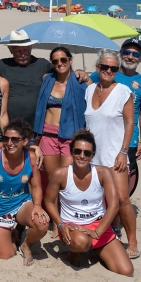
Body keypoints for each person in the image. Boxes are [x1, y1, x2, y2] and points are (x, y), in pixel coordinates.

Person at [44, 130, 132, 276]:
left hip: (98, 224)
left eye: (87, 153)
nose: (82, 156)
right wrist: (60, 224)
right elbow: (49, 201)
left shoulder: (103, 172)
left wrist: (97, 232)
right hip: (72, 225)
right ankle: (75, 253)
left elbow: (114, 205)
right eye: (77, 151)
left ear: (93, 155)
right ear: (71, 152)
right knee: (81, 242)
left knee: (126, 271)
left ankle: (98, 248)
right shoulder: (60, 174)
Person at [84, 49, 136, 259]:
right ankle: (107, 233)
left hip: (115, 154)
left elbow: (130, 122)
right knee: (101, 199)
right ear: (97, 68)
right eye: (104, 67)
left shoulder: (123, 91)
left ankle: (132, 240)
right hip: (92, 157)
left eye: (113, 68)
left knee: (122, 198)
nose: (108, 71)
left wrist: (124, 151)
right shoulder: (89, 90)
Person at [0, 120, 47, 266]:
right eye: (6, 138)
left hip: (21, 202)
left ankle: (26, 244)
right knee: (5, 256)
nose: (9, 142)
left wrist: (37, 205)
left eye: (15, 139)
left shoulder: (31, 158)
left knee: (42, 222)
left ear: (25, 141)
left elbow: (36, 186)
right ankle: (13, 234)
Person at [0, 29, 88, 122]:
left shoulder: (42, 64)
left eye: (25, 50)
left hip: (37, 124)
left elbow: (62, 71)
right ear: (11, 50)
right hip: (11, 124)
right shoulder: (2, 65)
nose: (22, 54)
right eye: (18, 51)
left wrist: (80, 71)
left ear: (31, 48)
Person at [90, 38, 141, 183]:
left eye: (136, 54)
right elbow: (87, 86)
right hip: (103, 138)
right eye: (127, 52)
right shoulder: (106, 71)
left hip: (129, 141)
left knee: (122, 185)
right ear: (120, 54)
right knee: (98, 182)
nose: (130, 57)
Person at [34, 46, 86, 181]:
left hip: (70, 136)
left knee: (67, 179)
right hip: (48, 135)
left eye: (63, 59)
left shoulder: (81, 82)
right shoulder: (47, 80)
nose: (60, 63)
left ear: (70, 60)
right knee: (52, 180)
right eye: (55, 61)